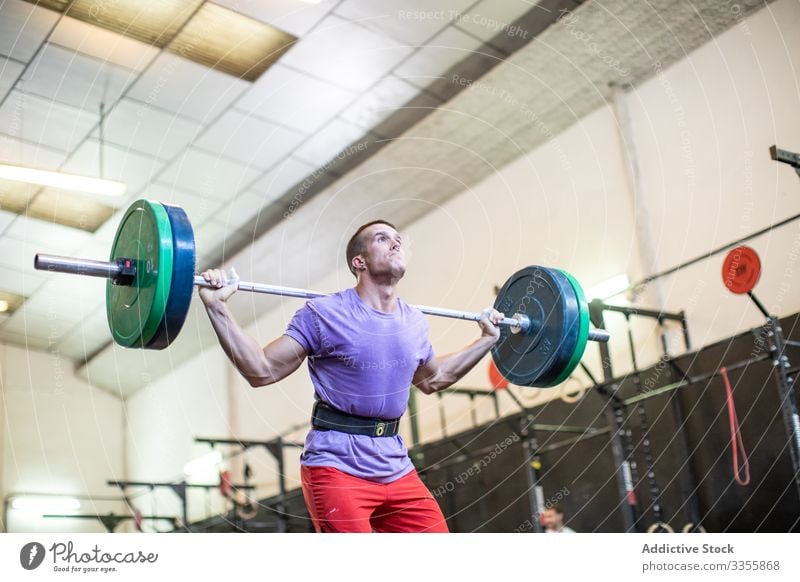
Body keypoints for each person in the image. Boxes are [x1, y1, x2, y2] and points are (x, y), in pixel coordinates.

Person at [199, 220, 505, 532]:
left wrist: (487, 340)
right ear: (359, 262)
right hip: (336, 467)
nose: (396, 244)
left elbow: (434, 379)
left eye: (398, 239)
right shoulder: (325, 313)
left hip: (396, 464)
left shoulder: (413, 321)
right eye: (383, 238)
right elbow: (261, 369)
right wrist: (216, 307)